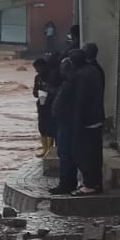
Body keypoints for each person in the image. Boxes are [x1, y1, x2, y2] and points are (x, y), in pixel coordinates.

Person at [72, 45, 106, 195]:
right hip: (96, 117)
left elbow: (80, 101)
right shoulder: (94, 70)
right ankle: (95, 183)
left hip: (87, 122)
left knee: (86, 154)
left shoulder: (81, 75)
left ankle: (90, 185)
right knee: (94, 153)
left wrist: (77, 123)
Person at [50, 55, 79, 195]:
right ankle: (67, 182)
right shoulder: (69, 82)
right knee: (65, 153)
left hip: (66, 123)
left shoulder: (71, 84)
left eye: (63, 68)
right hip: (64, 122)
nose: (61, 70)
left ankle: (66, 183)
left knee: (65, 153)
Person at [32, 56, 56, 158]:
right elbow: (34, 91)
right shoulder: (37, 78)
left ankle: (50, 150)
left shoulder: (52, 76)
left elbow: (55, 91)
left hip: (50, 105)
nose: (36, 70)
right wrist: (38, 93)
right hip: (41, 105)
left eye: (38, 68)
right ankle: (45, 149)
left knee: (50, 127)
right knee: (42, 127)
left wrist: (49, 94)